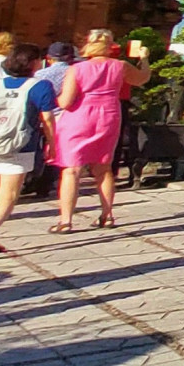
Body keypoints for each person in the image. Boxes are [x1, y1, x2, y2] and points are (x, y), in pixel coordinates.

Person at [0, 42, 59, 260]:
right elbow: (47, 119)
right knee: (7, 197)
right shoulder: (40, 86)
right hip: (19, 146)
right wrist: (52, 144)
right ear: (34, 63)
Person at [50, 29, 152, 231]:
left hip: (79, 117)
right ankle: (107, 215)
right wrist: (144, 59)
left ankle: (65, 220)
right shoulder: (120, 66)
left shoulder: (76, 69)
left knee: (71, 170)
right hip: (108, 115)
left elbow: (66, 101)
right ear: (110, 45)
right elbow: (142, 79)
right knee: (103, 168)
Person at [28, 41, 76, 199]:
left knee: (38, 148)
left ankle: (31, 179)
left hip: (42, 116)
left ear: (48, 58)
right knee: (57, 150)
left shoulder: (40, 75)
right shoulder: (75, 72)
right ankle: (46, 184)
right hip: (66, 117)